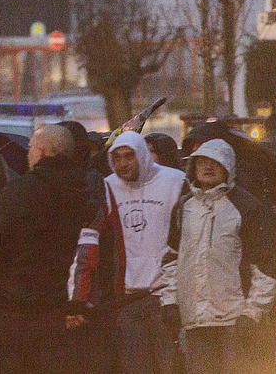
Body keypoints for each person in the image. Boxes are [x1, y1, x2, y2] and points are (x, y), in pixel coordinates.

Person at [0, 124, 90, 373]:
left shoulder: (24, 189)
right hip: (53, 310)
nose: (28, 154)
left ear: (43, 152)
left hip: (10, 310)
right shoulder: (83, 192)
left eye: (31, 149)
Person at [69, 130, 186, 374]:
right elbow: (89, 240)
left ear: (142, 155)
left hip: (166, 295)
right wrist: (78, 296)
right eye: (118, 158)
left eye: (129, 157)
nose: (123, 164)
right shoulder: (108, 186)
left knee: (169, 365)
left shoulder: (175, 181)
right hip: (127, 296)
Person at [160, 138, 276, 374]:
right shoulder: (184, 208)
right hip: (194, 320)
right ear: (192, 167)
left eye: (215, 162)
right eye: (202, 162)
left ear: (228, 167)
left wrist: (252, 312)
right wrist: (170, 301)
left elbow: (266, 265)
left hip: (235, 321)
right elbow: (172, 258)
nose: (208, 167)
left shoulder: (246, 207)